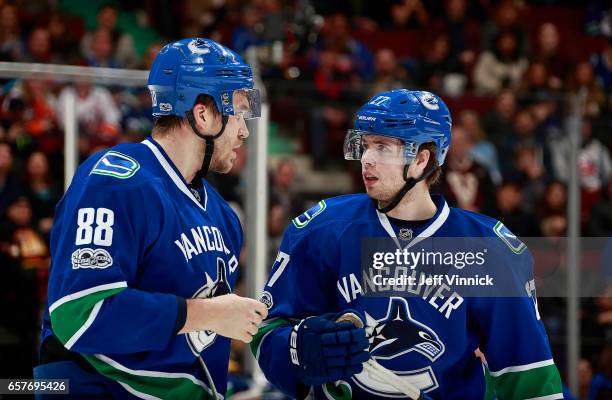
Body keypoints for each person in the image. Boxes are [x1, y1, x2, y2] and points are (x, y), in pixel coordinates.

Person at [252, 89, 563, 399]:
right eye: (365, 145)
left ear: (421, 160)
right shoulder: (323, 230)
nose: (367, 159)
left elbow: (528, 376)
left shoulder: (488, 248)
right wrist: (297, 347)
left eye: (383, 148)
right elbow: (265, 331)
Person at [34, 38, 268, 399]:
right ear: (203, 113)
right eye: (237, 112)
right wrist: (204, 314)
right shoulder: (114, 182)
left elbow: (204, 346)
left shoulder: (224, 218)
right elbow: (80, 313)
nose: (244, 131)